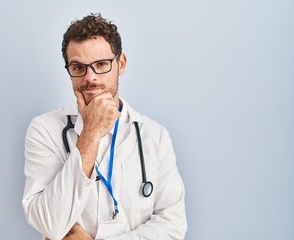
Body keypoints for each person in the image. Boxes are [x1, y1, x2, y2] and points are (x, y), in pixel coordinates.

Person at [22, 13, 187, 240]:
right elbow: (50, 223)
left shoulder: (154, 136)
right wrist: (91, 131)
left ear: (121, 65)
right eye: (78, 67)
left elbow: (173, 227)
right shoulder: (44, 130)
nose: (90, 77)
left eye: (101, 64)